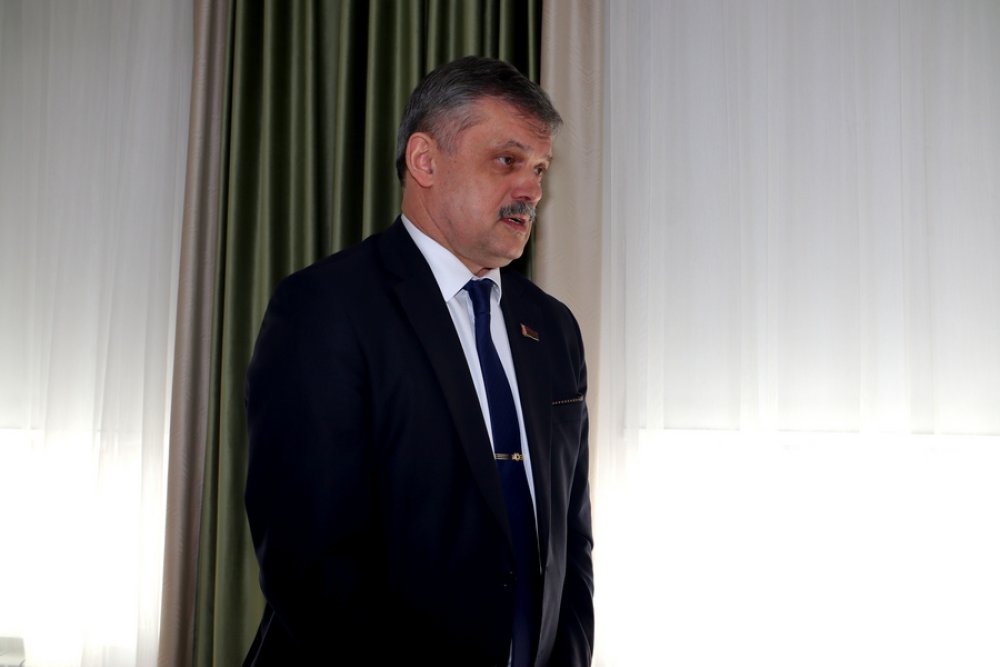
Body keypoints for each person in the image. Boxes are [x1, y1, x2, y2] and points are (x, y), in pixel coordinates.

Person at [243, 55, 594, 666]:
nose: (532, 191)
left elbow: (572, 541)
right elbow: (309, 561)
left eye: (539, 168)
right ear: (425, 160)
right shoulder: (326, 307)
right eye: (507, 161)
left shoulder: (554, 327)